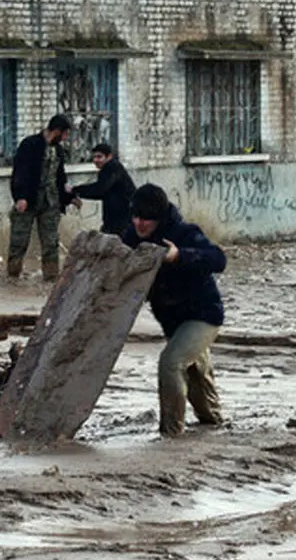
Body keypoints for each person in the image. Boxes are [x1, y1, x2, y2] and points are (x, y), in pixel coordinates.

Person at [122, 184, 227, 437]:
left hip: (202, 316)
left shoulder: (185, 233)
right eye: (135, 216)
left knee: (171, 363)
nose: (139, 223)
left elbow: (218, 259)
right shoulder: (132, 238)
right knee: (198, 384)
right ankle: (214, 426)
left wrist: (180, 256)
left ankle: (171, 435)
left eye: (146, 218)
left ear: (159, 217)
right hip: (171, 321)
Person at [7, 115, 77, 281]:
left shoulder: (58, 150)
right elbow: (20, 172)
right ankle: (13, 275)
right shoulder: (30, 144)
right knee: (19, 239)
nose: (65, 138)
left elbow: (60, 177)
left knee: (51, 242)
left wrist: (69, 197)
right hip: (29, 199)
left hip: (50, 201)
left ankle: (51, 277)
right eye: (65, 134)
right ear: (57, 131)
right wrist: (20, 197)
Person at [72, 143, 136, 237]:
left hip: (122, 219)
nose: (95, 160)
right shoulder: (110, 168)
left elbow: (100, 189)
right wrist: (76, 192)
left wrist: (75, 190)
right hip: (116, 219)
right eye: (94, 157)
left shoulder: (112, 167)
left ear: (109, 156)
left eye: (99, 157)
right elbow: (101, 192)